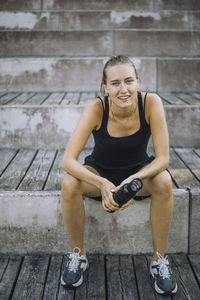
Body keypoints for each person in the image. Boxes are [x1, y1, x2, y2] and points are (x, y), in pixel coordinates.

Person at [60, 55, 178, 295]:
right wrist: (102, 182)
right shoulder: (96, 108)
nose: (123, 89)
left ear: (138, 82)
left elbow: (163, 158)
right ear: (105, 87)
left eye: (129, 81)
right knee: (69, 182)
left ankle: (159, 260)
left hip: (138, 175)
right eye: (115, 83)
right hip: (100, 172)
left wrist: (133, 179)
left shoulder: (151, 103)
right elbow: (67, 160)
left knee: (165, 180)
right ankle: (78, 256)